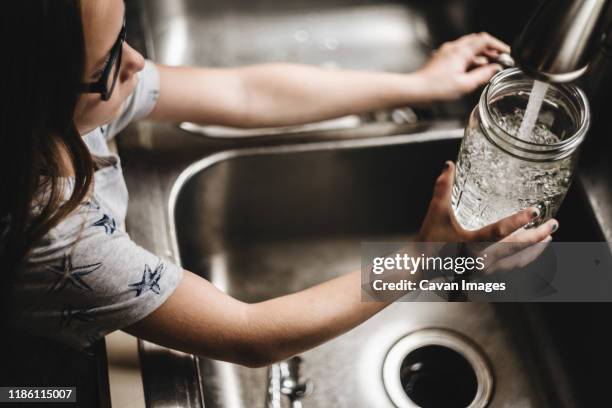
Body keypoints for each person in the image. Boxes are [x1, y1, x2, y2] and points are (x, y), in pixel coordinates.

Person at [0, 0, 557, 367]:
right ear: (34, 97)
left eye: (125, 36)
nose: (138, 62)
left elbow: (246, 93)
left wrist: (417, 83)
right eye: (107, 62)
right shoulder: (56, 239)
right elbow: (251, 331)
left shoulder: (64, 106)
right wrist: (426, 260)